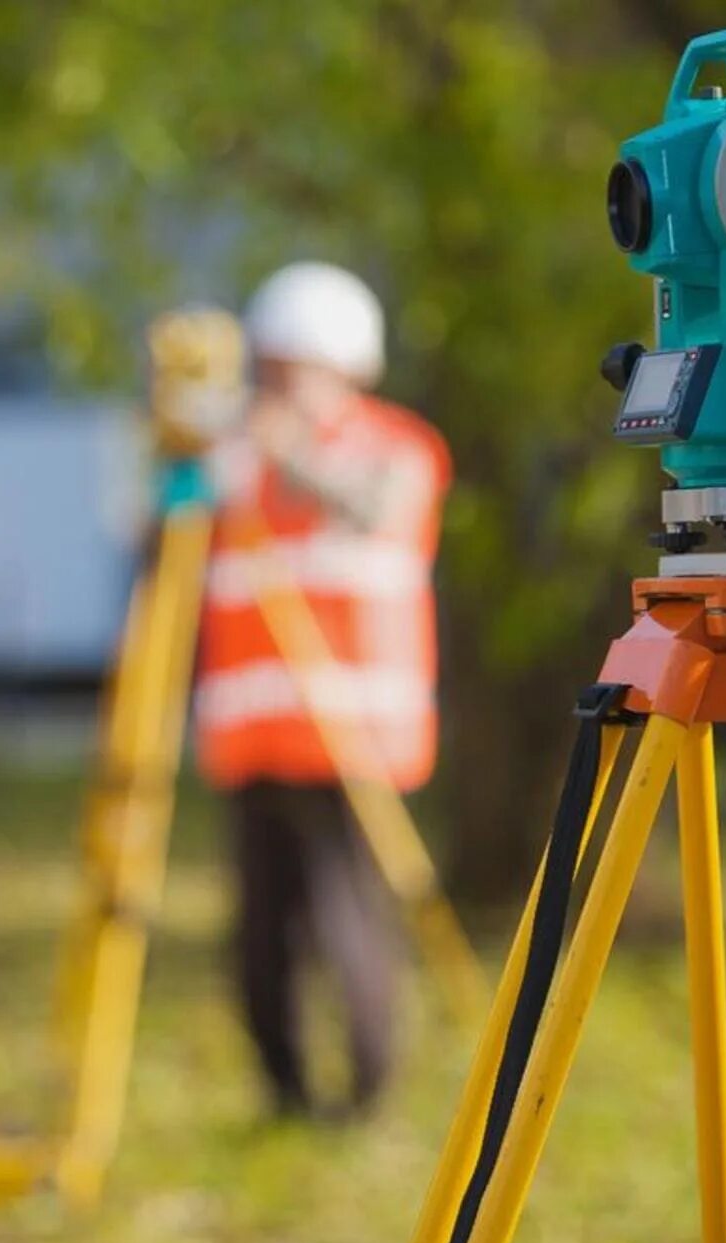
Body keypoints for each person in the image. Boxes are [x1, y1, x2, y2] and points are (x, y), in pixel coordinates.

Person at [194, 262, 452, 1119]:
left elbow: (376, 509)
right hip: (253, 737)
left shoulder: (397, 446)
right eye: (270, 367)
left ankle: (368, 1089)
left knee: (350, 924)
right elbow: (161, 531)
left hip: (349, 732)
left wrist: (288, 452)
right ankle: (285, 1092)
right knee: (261, 934)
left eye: (294, 366)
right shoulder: (236, 458)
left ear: (346, 362)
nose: (278, 386)